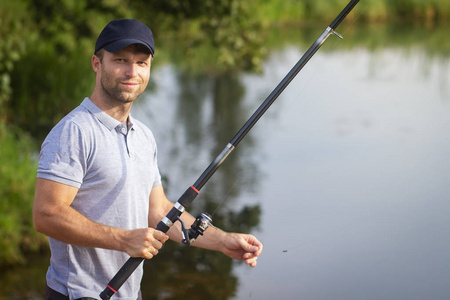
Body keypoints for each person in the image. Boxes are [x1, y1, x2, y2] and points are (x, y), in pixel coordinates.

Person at [33, 19, 263, 300]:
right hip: (78, 294)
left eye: (142, 63)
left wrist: (223, 240)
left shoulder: (143, 135)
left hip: (129, 293)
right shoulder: (74, 131)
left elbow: (158, 211)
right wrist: (123, 239)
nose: (132, 71)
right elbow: (46, 214)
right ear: (96, 63)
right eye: (120, 60)